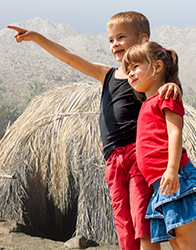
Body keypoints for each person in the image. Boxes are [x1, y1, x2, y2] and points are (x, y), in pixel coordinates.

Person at [7, 12, 182, 250]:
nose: (114, 44)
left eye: (121, 37)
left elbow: (165, 87)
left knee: (142, 216)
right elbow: (69, 57)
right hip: (112, 160)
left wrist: (170, 84)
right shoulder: (107, 74)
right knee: (123, 220)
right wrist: (38, 37)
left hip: (137, 156)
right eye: (111, 40)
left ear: (142, 39)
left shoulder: (145, 79)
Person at [122, 41, 196, 250]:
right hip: (161, 184)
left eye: (135, 67)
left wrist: (172, 169)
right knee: (176, 241)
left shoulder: (166, 97)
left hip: (175, 177)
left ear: (157, 67)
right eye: (127, 70)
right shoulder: (147, 104)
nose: (130, 74)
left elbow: (175, 132)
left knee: (187, 242)